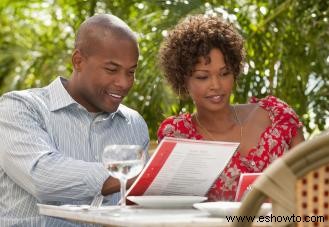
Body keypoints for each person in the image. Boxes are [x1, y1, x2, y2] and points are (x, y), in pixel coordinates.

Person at [0, 14, 149, 226]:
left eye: (131, 72)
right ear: (78, 61)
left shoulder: (133, 124)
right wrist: (131, 175)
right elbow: (43, 176)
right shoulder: (20, 107)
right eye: (112, 69)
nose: (124, 83)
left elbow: (137, 206)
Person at [157, 14, 304, 201]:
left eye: (224, 73)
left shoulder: (277, 116)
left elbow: (313, 182)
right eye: (203, 77)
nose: (216, 85)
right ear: (183, 80)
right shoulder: (179, 136)